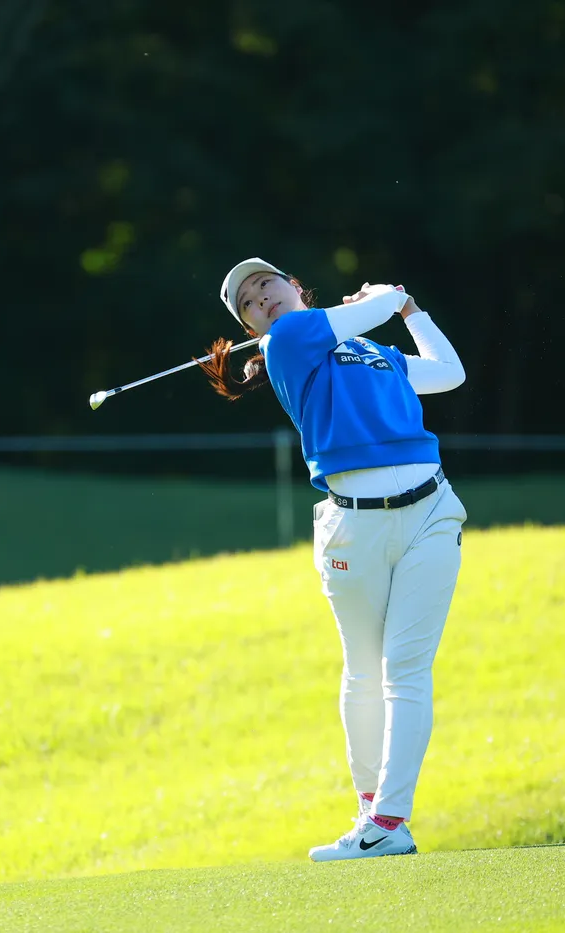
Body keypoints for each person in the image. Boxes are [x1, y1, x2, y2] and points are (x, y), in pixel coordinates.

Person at [201, 258, 468, 861]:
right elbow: (376, 307)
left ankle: (388, 823)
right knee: (365, 669)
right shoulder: (288, 341)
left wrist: (412, 311)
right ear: (251, 328)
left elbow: (449, 374)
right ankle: (370, 811)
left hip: (431, 511)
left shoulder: (370, 351)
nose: (261, 299)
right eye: (248, 303)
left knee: (407, 667)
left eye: (266, 284)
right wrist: (392, 295)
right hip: (354, 524)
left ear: (293, 286)